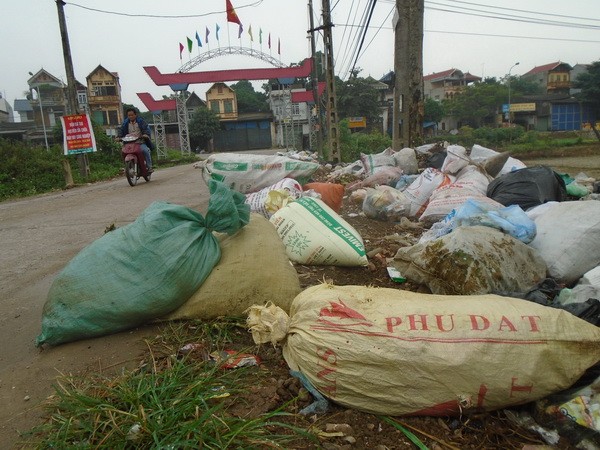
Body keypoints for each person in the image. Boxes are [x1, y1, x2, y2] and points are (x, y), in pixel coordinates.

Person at [118, 107, 154, 172]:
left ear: (135, 115)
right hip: (128, 143)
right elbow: (121, 130)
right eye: (129, 115)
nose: (130, 116)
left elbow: (146, 129)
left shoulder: (141, 121)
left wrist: (145, 134)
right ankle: (125, 166)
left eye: (132, 115)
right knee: (123, 152)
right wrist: (118, 137)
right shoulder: (125, 123)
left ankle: (149, 167)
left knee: (145, 150)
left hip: (140, 142)